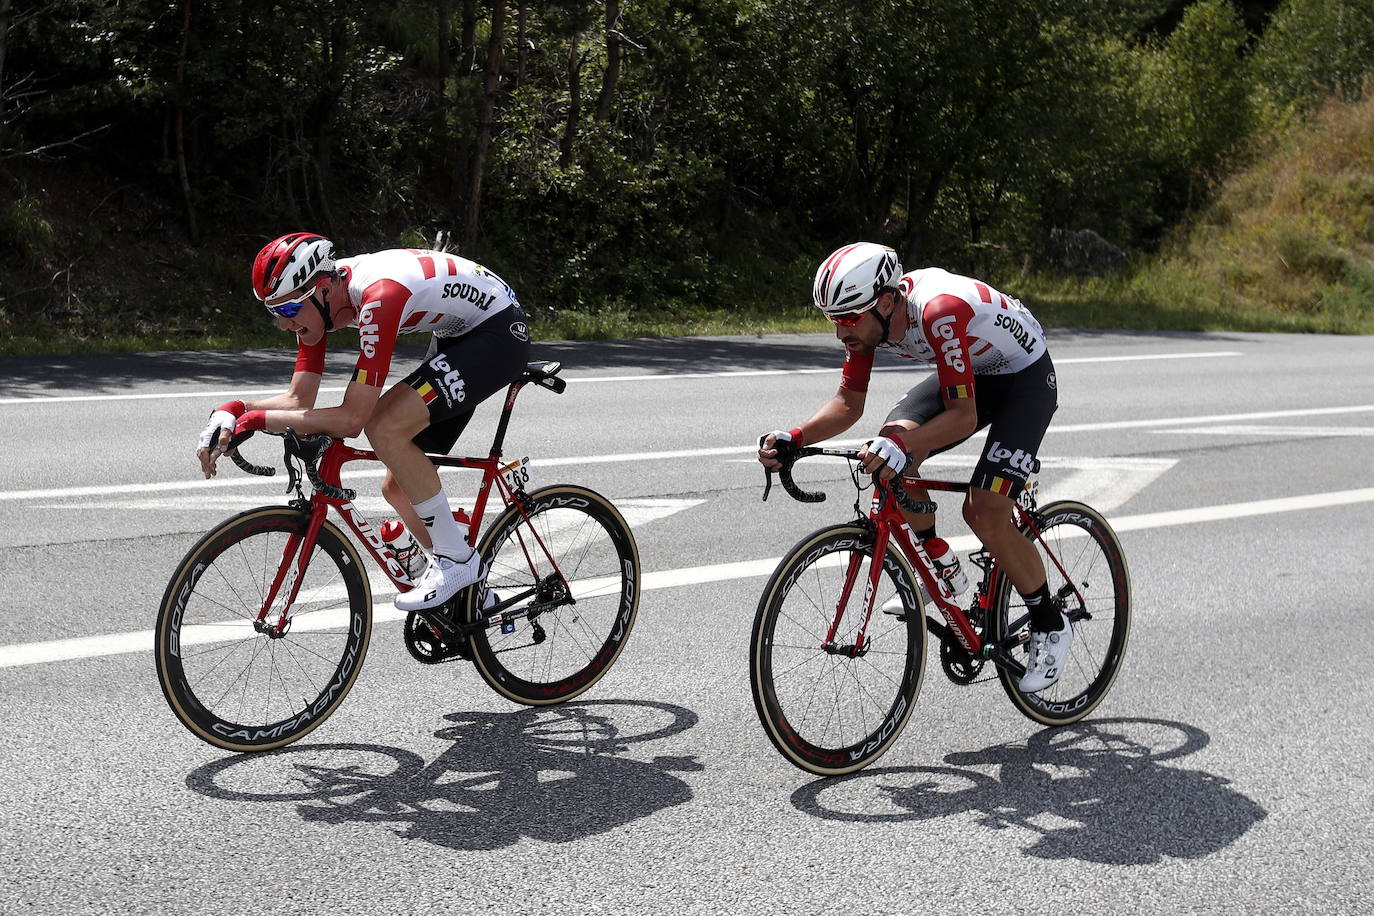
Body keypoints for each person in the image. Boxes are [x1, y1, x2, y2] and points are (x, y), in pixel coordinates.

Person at [757, 242, 1066, 692]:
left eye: (847, 319)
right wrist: (796, 437)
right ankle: (938, 565)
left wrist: (902, 446)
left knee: (984, 512)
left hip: (1024, 380)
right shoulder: (869, 321)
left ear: (885, 301)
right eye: (833, 320)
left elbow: (962, 416)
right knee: (889, 447)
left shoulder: (938, 311)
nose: (841, 332)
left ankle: (1050, 621)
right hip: (972, 372)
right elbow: (848, 404)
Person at [195, 232, 531, 612]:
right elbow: (297, 400)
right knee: (399, 487)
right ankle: (474, 598)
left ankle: (459, 563)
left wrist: (258, 421)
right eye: (275, 313)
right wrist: (234, 409)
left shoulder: (378, 298)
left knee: (384, 426)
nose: (284, 325)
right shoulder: (319, 303)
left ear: (322, 288)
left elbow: (353, 418)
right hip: (457, 335)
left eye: (288, 311)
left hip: (497, 333)